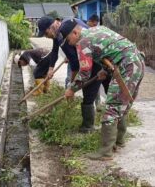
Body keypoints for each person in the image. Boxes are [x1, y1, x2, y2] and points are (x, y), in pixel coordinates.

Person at [59, 19, 145, 160]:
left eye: (68, 39)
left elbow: (84, 73)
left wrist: (71, 89)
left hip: (126, 66)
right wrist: (104, 70)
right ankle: (119, 141)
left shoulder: (83, 42)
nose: (69, 43)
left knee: (112, 109)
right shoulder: (98, 29)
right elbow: (111, 50)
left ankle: (105, 152)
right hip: (137, 61)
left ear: (75, 32)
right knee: (123, 105)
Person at [37, 16, 103, 133]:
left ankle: (88, 127)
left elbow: (75, 65)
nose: (46, 36)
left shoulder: (64, 32)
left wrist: (72, 86)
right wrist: (51, 69)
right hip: (93, 57)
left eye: (46, 33)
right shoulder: (60, 30)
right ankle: (101, 119)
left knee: (88, 92)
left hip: (95, 60)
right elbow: (55, 51)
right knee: (91, 88)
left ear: (51, 27)